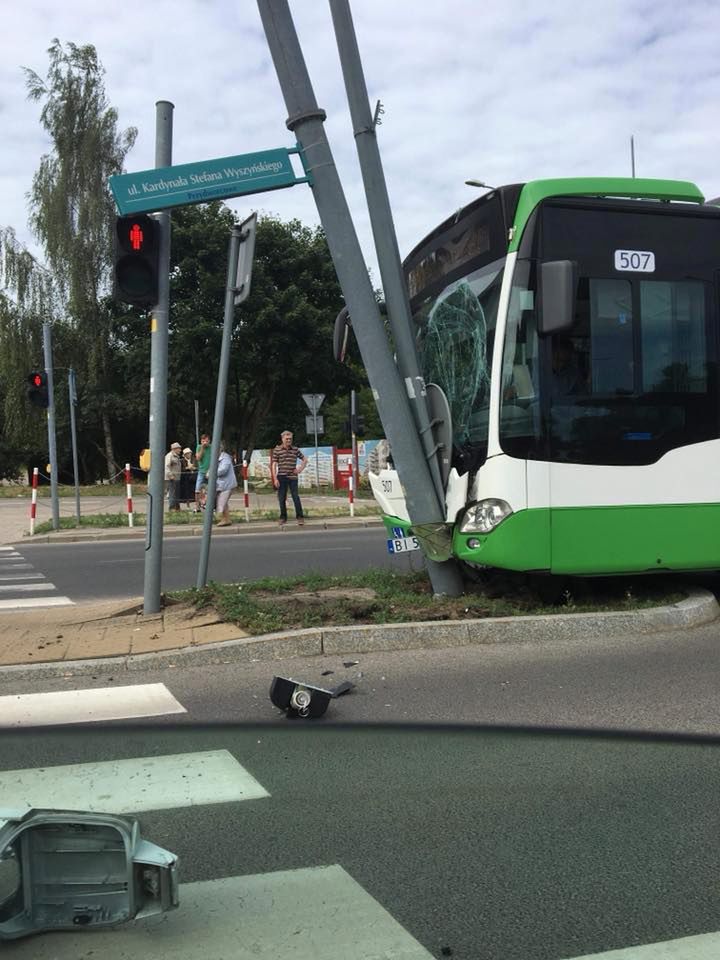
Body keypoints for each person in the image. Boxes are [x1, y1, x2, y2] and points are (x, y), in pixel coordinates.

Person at [271, 430, 307, 526]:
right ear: (282, 439)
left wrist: (300, 469)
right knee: (281, 498)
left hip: (293, 477)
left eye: (290, 439)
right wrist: (275, 478)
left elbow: (304, 459)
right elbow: (274, 464)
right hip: (281, 476)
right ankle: (283, 517)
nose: (288, 441)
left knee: (296, 497)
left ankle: (300, 517)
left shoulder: (295, 449)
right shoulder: (277, 450)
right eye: (286, 439)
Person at [215, 444, 238, 527]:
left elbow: (223, 470)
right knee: (224, 502)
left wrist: (212, 473)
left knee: (221, 501)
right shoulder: (220, 458)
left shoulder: (225, 458)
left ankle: (221, 517)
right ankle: (226, 519)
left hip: (227, 484)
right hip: (223, 484)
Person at [194, 433, 211, 513]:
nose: (205, 443)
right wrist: (202, 448)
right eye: (203, 441)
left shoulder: (212, 447)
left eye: (207, 441)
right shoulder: (199, 447)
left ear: (209, 441)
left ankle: (210, 506)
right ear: (201, 441)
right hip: (201, 471)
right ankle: (197, 507)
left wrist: (210, 470)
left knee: (210, 490)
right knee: (197, 489)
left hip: (210, 471)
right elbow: (198, 458)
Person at [164, 442, 183, 511]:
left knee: (176, 493)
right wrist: (170, 475)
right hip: (171, 478)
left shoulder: (176, 456)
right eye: (179, 448)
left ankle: (177, 507)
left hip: (177, 478)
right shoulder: (169, 456)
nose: (180, 450)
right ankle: (172, 508)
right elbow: (166, 466)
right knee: (172, 493)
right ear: (174, 449)